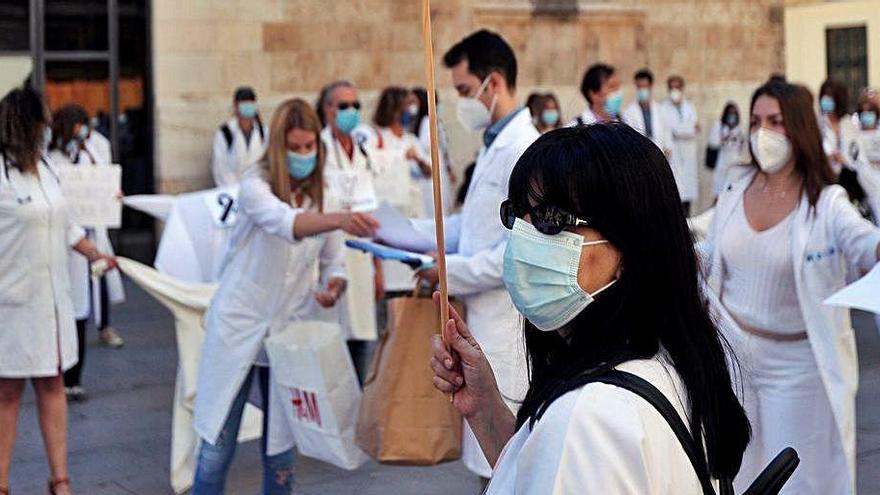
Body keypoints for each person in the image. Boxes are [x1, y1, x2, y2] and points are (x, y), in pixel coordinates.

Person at [429, 124, 751, 493]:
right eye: (517, 215)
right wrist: (485, 406)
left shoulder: (589, 415)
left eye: (551, 221)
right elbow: (542, 477)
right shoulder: (665, 362)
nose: (524, 237)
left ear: (629, 246)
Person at [192, 99, 378, 494]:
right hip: (239, 325)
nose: (303, 155)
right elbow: (285, 222)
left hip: (288, 328)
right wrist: (341, 218)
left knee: (281, 450)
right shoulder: (253, 184)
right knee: (217, 445)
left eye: (310, 146)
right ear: (279, 146)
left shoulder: (321, 191)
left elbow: (334, 260)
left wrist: (334, 285)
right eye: (295, 147)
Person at [703, 80, 880, 494]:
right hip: (734, 358)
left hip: (797, 368)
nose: (763, 132)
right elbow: (714, 246)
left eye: (776, 122)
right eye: (756, 121)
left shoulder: (826, 202)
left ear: (798, 128)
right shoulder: (736, 186)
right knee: (737, 471)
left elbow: (863, 242)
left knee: (796, 479)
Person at [414, 29, 539, 480]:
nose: (461, 102)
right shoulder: (493, 144)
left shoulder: (523, 149)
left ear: (495, 82)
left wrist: (448, 272)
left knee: (504, 468)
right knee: (490, 469)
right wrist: (405, 238)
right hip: (480, 327)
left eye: (465, 91)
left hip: (505, 333)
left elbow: (520, 249)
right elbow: (474, 227)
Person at [0, 87, 118, 495]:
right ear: (25, 125)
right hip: (11, 302)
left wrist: (94, 253)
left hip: (51, 300)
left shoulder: (46, 170)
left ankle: (60, 480)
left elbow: (65, 223)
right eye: (42, 123)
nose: (48, 130)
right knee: (8, 393)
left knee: (53, 383)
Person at [48, 105, 126, 401]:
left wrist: (111, 196)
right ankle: (58, 376)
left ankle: (74, 379)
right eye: (76, 127)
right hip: (60, 247)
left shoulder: (90, 157)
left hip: (85, 242)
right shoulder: (50, 162)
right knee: (62, 313)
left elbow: (102, 187)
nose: (81, 133)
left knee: (81, 308)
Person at [371, 86, 431, 217]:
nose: (412, 111)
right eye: (408, 106)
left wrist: (418, 160)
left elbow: (429, 173)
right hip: (388, 207)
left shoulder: (411, 140)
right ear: (394, 110)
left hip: (414, 207)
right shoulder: (376, 139)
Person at [211, 86, 268, 187]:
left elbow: (266, 165)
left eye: (250, 103)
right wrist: (233, 190)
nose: (247, 106)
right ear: (236, 105)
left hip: (258, 190)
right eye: (243, 102)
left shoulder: (263, 132)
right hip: (232, 189)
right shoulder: (225, 133)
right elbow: (220, 167)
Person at [660, 75, 700, 215]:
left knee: (687, 196)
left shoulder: (689, 107)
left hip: (688, 154)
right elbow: (672, 129)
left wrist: (682, 130)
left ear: (682, 89)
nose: (674, 90)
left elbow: (694, 128)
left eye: (677, 87)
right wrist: (686, 129)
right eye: (671, 88)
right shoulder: (663, 108)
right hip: (674, 153)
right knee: (675, 194)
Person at [412, 87, 455, 216]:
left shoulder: (428, 122)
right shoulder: (424, 122)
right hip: (429, 172)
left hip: (432, 171)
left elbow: (425, 146)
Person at [622, 68, 672, 158]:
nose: (642, 90)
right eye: (639, 87)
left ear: (650, 86)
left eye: (645, 86)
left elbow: (667, 131)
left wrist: (668, 148)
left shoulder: (660, 110)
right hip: (639, 157)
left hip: (659, 155)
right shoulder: (628, 112)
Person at [706, 102, 748, 198]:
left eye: (734, 113)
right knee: (719, 192)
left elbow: (744, 146)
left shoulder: (740, 127)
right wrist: (724, 137)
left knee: (734, 193)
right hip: (722, 161)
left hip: (735, 161)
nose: (732, 116)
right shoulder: (719, 126)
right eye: (730, 113)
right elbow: (713, 143)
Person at [819, 78, 859, 176]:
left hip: (847, 175)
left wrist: (844, 160)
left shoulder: (849, 123)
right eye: (824, 95)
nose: (825, 100)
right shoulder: (818, 122)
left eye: (830, 96)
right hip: (824, 175)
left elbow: (856, 152)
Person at [852, 88, 880, 222]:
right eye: (864, 112)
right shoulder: (855, 135)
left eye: (870, 111)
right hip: (866, 183)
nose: (867, 114)